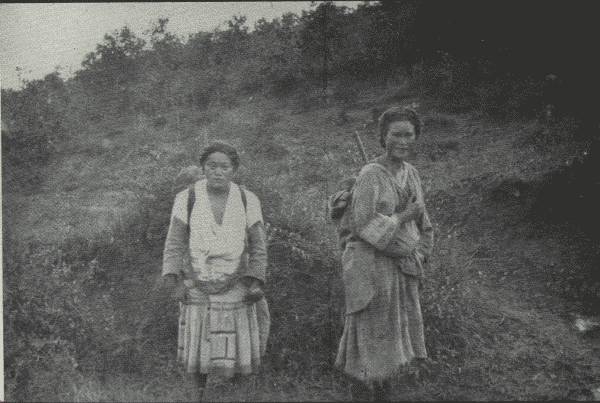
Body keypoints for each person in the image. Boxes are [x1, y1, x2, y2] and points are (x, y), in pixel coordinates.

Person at [333, 106, 434, 401]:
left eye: (409, 134)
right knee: (367, 349)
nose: (403, 140)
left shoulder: (411, 174)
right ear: (383, 137)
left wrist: (421, 255)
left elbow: (424, 222)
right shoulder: (370, 175)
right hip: (371, 270)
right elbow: (363, 225)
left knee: (392, 351)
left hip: (401, 272)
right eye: (396, 134)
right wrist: (401, 217)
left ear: (416, 138)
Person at [161, 141, 269, 399]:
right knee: (198, 346)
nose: (218, 172)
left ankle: (238, 396)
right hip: (196, 281)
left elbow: (258, 244)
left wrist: (256, 281)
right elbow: (175, 242)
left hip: (237, 282)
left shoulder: (247, 199)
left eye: (225, 167)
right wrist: (175, 282)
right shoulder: (186, 198)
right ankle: (197, 396)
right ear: (203, 169)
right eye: (212, 166)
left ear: (234, 170)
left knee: (240, 347)